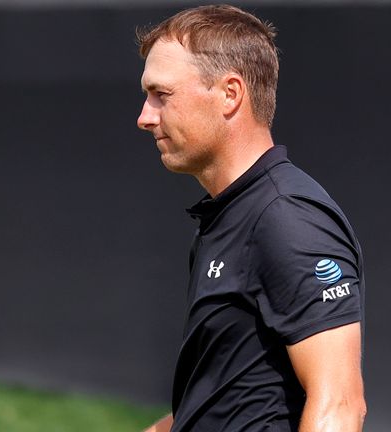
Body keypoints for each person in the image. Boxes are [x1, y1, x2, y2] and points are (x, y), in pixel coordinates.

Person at [136, 5, 365, 432]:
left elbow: (340, 405)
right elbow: (232, 397)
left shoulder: (287, 218)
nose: (145, 117)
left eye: (161, 95)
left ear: (230, 94)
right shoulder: (229, 215)